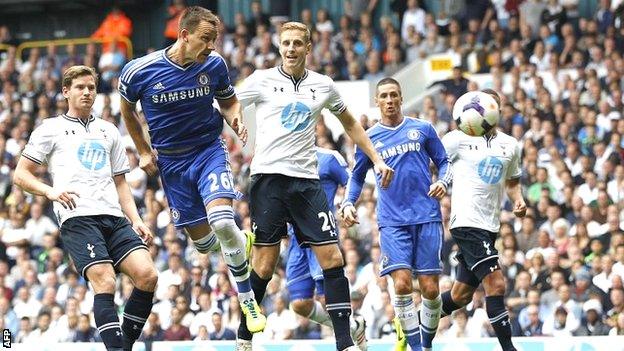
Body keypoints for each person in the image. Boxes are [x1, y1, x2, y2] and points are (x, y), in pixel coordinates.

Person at [236, 21, 394, 351]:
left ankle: (344, 342)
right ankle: (244, 337)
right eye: (286, 43)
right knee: (264, 265)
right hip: (268, 181)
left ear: (308, 48)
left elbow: (349, 121)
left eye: (297, 43)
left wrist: (377, 159)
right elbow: (228, 100)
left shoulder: (322, 85)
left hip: (307, 184)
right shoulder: (262, 80)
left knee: (333, 259)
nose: (291, 48)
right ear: (279, 47)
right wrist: (233, 118)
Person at [117, 6, 266, 333]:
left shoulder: (214, 64)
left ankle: (248, 300)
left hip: (209, 150)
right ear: (184, 35)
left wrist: (235, 117)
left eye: (215, 39)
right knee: (205, 244)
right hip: (172, 162)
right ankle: (240, 243)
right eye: (206, 39)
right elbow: (126, 109)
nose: (212, 46)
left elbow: (228, 101)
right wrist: (142, 150)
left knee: (223, 221)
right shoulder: (139, 71)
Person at [13, 65, 158, 351]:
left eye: (91, 87)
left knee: (147, 275)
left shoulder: (108, 130)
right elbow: (21, 175)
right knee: (104, 281)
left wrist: (137, 220)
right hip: (77, 217)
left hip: (114, 217)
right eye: (80, 87)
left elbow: (120, 183)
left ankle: (124, 346)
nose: (87, 92)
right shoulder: (50, 129)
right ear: (66, 91)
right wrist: (50, 192)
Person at [341, 77, 451, 351]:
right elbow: (356, 176)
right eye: (384, 97)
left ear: (401, 98)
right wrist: (348, 203)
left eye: (394, 96)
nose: (389, 101)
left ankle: (425, 344)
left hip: (426, 216)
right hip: (392, 222)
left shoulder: (422, 129)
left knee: (430, 290)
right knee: (401, 285)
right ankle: (416, 348)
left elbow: (444, 162)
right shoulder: (370, 137)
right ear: (377, 102)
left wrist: (442, 182)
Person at [439, 89, 526, 351]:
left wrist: (518, 199)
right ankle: (509, 349)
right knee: (496, 283)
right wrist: (441, 182)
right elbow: (434, 161)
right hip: (466, 222)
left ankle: (414, 319)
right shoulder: (456, 139)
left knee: (460, 296)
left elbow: (512, 181)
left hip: (489, 226)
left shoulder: (510, 145)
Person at [286, 147, 367, 349]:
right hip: (295, 239)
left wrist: (347, 204)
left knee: (326, 298)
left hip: (320, 235)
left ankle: (345, 341)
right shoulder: (283, 156)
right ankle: (354, 326)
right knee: (300, 304)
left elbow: (351, 180)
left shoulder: (328, 158)